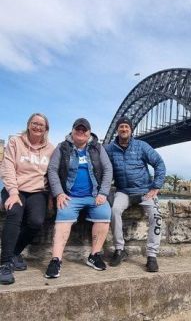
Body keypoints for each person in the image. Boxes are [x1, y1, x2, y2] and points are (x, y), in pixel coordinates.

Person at [45, 118, 112, 278]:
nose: (81, 132)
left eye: (84, 130)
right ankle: (56, 260)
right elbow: (52, 170)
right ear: (73, 131)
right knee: (62, 219)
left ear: (89, 133)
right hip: (69, 196)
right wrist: (59, 193)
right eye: (78, 129)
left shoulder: (98, 148)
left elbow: (108, 169)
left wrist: (103, 193)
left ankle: (94, 255)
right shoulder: (62, 147)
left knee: (104, 214)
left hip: (94, 195)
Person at [104, 116, 166, 272]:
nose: (123, 129)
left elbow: (159, 164)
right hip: (123, 191)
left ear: (131, 130)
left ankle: (152, 256)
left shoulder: (141, 146)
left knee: (156, 215)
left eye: (126, 127)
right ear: (117, 130)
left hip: (145, 191)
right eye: (121, 127)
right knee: (114, 210)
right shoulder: (109, 149)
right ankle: (120, 249)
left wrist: (156, 187)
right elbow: (100, 166)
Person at [0, 113, 54, 285]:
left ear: (46, 129)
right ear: (29, 124)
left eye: (41, 125)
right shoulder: (15, 142)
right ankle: (5, 263)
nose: (37, 126)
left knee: (36, 221)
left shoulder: (51, 149)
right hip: (15, 189)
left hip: (38, 191)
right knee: (15, 213)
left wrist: (54, 196)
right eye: (34, 123)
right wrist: (13, 193)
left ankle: (15, 252)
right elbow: (7, 167)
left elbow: (53, 174)